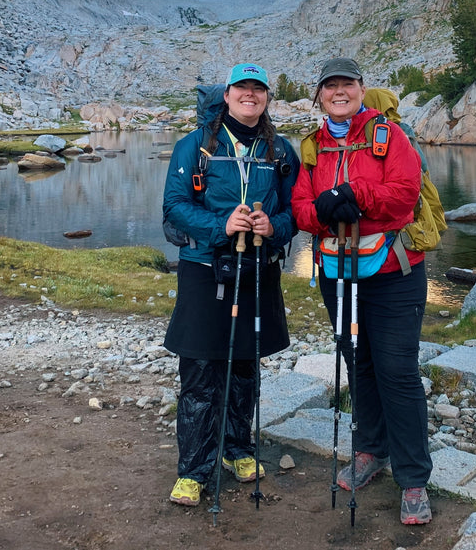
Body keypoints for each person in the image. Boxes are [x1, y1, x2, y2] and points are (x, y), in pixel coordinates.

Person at [290, 56, 433, 525]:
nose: (339, 92)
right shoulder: (312, 147)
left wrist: (356, 195)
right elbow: (300, 211)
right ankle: (371, 450)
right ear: (320, 96)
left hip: (394, 272)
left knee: (398, 370)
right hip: (338, 270)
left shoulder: (387, 136)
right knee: (359, 361)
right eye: (330, 86)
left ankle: (413, 479)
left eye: (347, 84)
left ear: (361, 88)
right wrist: (327, 209)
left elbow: (405, 195)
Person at [162, 62, 300, 507]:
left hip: (258, 269)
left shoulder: (280, 152)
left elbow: (296, 211)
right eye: (243, 87)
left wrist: (271, 225)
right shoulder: (194, 147)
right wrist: (221, 223)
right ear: (227, 94)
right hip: (205, 269)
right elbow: (174, 207)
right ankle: (194, 470)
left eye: (258, 89)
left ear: (266, 99)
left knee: (244, 366)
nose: (250, 95)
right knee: (201, 371)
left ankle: (237, 449)